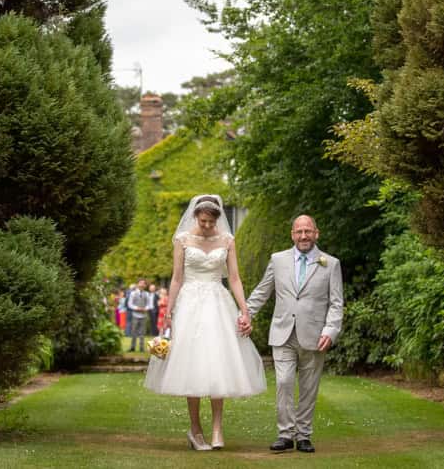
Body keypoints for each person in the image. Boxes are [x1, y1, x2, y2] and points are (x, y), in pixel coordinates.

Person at [144, 194, 266, 451]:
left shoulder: (227, 240)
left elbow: (234, 278)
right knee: (193, 364)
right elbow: (176, 278)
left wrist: (245, 311)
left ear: (218, 219)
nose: (207, 226)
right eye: (203, 221)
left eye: (211, 222)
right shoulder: (183, 240)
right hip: (189, 304)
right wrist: (169, 310)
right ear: (196, 217)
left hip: (218, 303)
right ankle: (196, 430)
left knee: (218, 362)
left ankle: (218, 429)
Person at [245, 215, 343, 454]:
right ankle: (285, 434)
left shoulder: (330, 263)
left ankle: (304, 435)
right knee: (284, 382)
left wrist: (331, 330)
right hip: (283, 333)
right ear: (292, 234)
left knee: (309, 387)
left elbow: (336, 302)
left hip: (314, 335)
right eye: (299, 231)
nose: (303, 236)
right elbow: (262, 290)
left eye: (308, 231)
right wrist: (246, 314)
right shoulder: (277, 260)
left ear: (316, 233)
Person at [128, 278, 150, 352]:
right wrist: (137, 308)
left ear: (145, 285)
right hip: (135, 315)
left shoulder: (147, 294)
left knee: (142, 333)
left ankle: (141, 348)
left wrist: (145, 308)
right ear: (137, 284)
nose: (142, 285)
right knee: (133, 332)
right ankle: (132, 347)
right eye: (140, 283)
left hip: (144, 315)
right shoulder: (133, 293)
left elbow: (149, 304)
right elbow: (130, 304)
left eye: (143, 283)